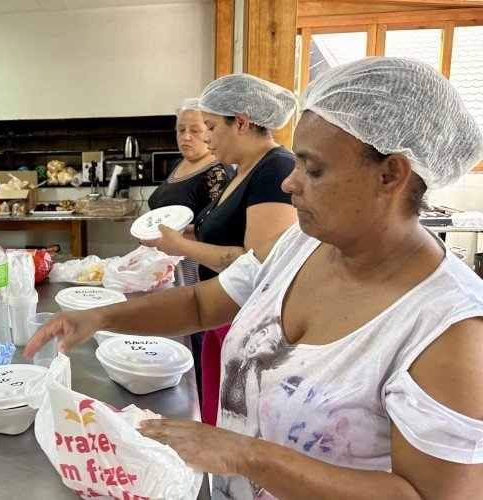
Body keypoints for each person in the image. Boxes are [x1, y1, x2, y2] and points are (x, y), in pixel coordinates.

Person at [26, 57, 483, 498]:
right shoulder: (300, 246)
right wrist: (100, 317)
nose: (289, 182)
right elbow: (202, 304)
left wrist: (245, 456)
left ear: (391, 174)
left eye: (314, 169)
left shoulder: (448, 330)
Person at [144, 74, 299, 425]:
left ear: (241, 123)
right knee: (211, 413)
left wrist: (182, 246)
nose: (206, 137)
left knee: (233, 423)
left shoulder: (276, 168)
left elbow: (258, 262)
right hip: (221, 314)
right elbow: (224, 235)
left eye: (211, 127)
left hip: (244, 321)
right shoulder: (242, 170)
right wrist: (191, 232)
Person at [147, 97, 236, 286]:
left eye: (195, 131)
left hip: (193, 272)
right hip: (168, 265)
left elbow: (220, 233)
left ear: (210, 132)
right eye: (181, 130)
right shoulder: (184, 162)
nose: (186, 137)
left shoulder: (217, 171)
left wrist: (176, 237)